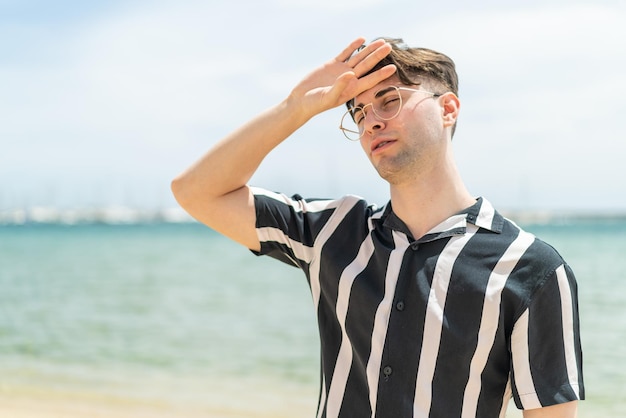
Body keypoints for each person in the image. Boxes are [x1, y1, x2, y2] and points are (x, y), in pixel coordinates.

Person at [171, 37, 584, 418]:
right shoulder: (333, 231)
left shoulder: (531, 269)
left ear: (448, 109)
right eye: (359, 112)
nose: (370, 122)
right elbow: (196, 191)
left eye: (389, 101)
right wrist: (296, 106)